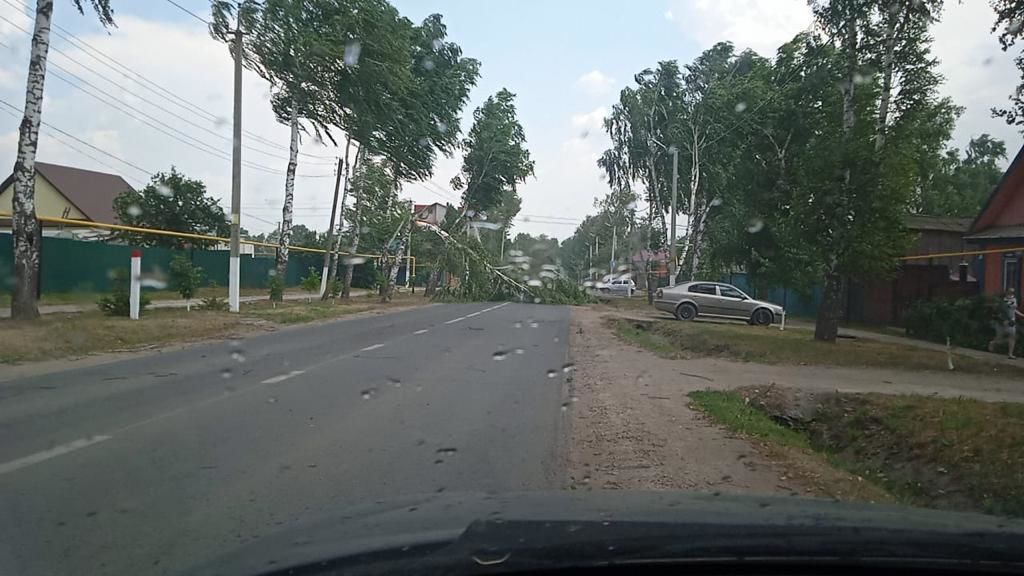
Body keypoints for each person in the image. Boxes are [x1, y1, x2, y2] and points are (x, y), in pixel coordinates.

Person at [988, 288, 1024, 359]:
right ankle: (992, 343)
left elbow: (1014, 309)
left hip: (1011, 322)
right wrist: (1003, 320)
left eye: (1012, 292)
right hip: (1003, 322)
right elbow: (1000, 312)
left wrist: (1021, 315)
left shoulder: (1014, 300)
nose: (1011, 293)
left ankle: (1010, 354)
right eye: (1010, 292)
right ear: (1006, 293)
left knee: (1012, 337)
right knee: (999, 338)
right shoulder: (1002, 301)